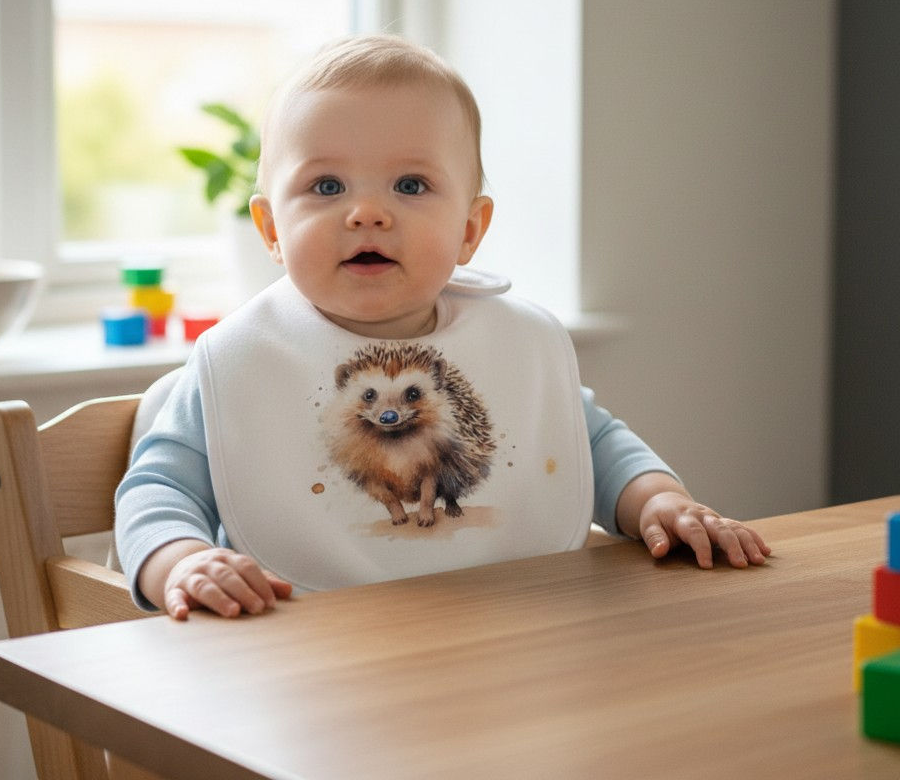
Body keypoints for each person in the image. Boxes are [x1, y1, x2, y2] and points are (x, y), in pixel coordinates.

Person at [115, 34, 770, 621]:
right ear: (270, 230)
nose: (367, 213)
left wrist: (657, 500)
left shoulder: (512, 343)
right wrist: (180, 561)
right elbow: (157, 488)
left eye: (410, 184)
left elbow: (590, 443)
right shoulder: (243, 358)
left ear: (469, 230)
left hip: (510, 641)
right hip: (302, 664)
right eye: (326, 186)